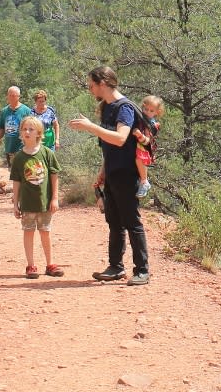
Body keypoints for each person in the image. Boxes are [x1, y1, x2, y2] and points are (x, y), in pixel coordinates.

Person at [68, 65, 150, 286]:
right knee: (114, 221)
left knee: (132, 222)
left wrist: (90, 127)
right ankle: (116, 266)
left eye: (91, 85)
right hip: (113, 172)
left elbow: (121, 138)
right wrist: (103, 171)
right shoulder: (107, 107)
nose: (90, 89)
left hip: (127, 174)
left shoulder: (124, 108)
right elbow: (109, 146)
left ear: (103, 83)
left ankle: (142, 270)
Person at [9, 115, 63, 279]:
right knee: (28, 232)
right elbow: (16, 182)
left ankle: (50, 264)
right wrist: (15, 203)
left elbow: (54, 176)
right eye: (24, 129)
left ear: (39, 133)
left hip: (44, 203)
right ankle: (31, 265)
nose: (27, 132)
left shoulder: (47, 153)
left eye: (31, 129)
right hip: (27, 204)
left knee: (45, 232)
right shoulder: (19, 157)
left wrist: (54, 198)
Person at [0, 85, 33, 168]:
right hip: (9, 147)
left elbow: (32, 128)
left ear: (18, 97)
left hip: (22, 147)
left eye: (14, 95)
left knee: (23, 172)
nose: (12, 97)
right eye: (10, 95)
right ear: (7, 96)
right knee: (12, 173)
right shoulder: (4, 111)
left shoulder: (26, 111)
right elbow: (1, 128)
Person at [133, 95, 164, 198]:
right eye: (146, 109)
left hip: (144, 147)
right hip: (138, 146)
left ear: (157, 112)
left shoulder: (150, 123)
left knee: (139, 159)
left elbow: (147, 141)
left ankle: (144, 181)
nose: (147, 112)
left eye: (151, 110)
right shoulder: (140, 117)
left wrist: (139, 135)